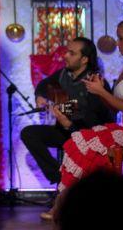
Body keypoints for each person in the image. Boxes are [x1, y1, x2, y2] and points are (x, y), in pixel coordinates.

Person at [58, 16, 123, 200]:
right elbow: (117, 108)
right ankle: (71, 200)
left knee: (86, 146)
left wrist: (102, 92)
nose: (117, 43)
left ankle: (68, 202)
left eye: (121, 38)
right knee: (78, 142)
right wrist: (100, 90)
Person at [20, 37, 114, 190]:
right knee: (29, 133)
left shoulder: (96, 82)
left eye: (71, 53)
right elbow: (43, 85)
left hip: (89, 136)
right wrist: (40, 96)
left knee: (77, 137)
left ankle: (72, 185)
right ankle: (59, 177)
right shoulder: (64, 74)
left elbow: (91, 116)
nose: (65, 56)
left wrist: (64, 112)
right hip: (66, 131)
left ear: (84, 59)